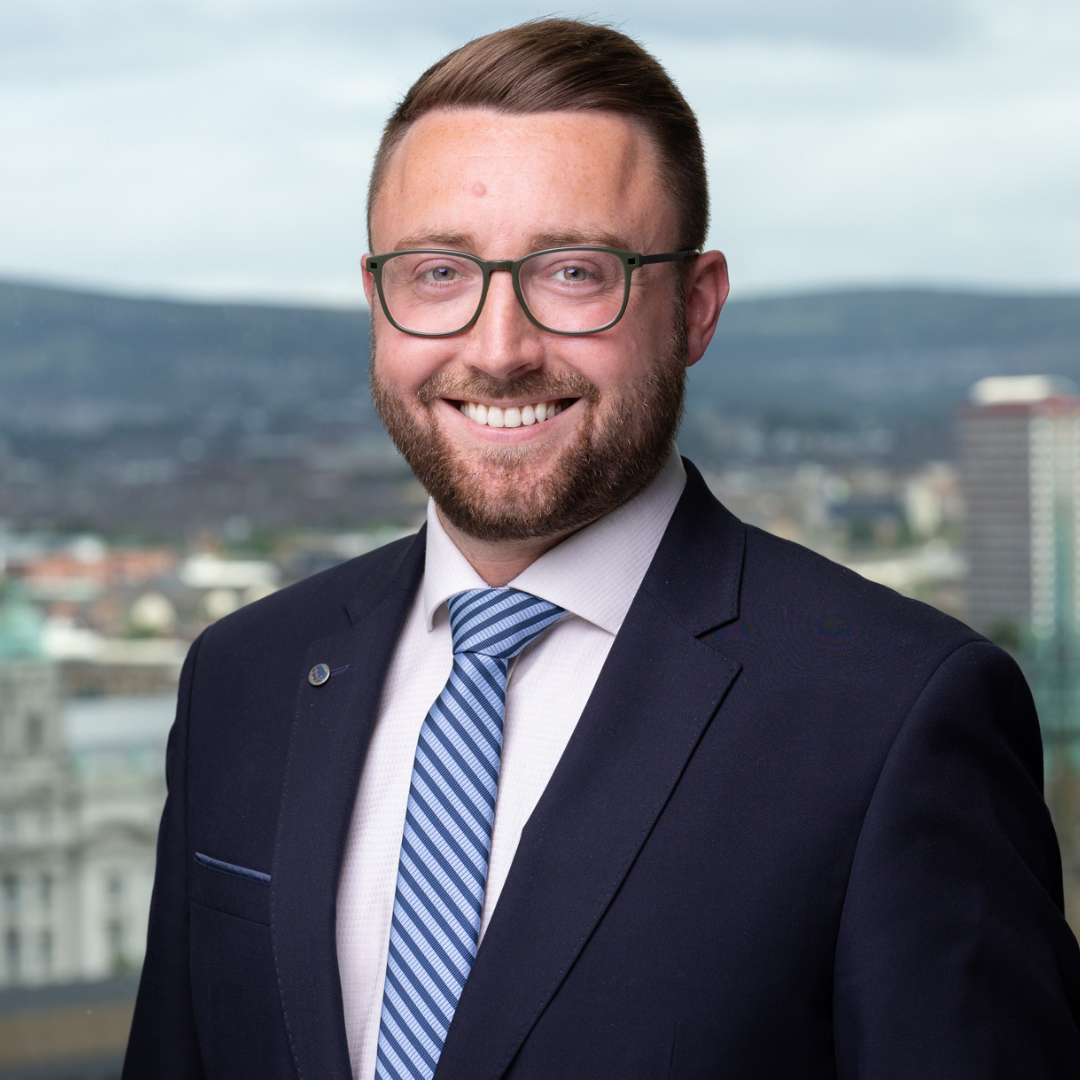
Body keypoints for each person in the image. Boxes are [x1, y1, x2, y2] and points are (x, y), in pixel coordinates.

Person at [123, 19, 1080, 1080]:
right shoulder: (243, 677)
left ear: (696, 309)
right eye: (439, 272)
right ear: (378, 300)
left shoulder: (895, 714)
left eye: (575, 272)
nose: (498, 349)